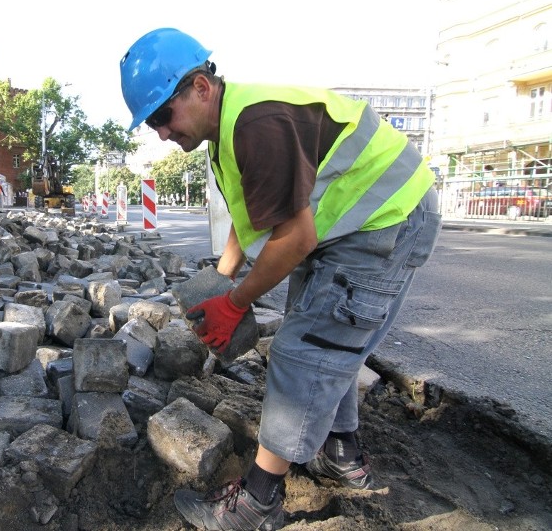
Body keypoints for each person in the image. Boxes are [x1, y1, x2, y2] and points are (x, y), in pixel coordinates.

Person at [120, 28, 441, 530]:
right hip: (345, 224)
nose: (161, 132)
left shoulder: (257, 125)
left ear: (201, 87)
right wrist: (220, 282)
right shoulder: (223, 135)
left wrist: (236, 303)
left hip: (387, 219)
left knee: (303, 348)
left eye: (163, 115)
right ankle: (341, 453)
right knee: (320, 335)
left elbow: (292, 240)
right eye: (152, 123)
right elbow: (250, 225)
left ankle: (258, 503)